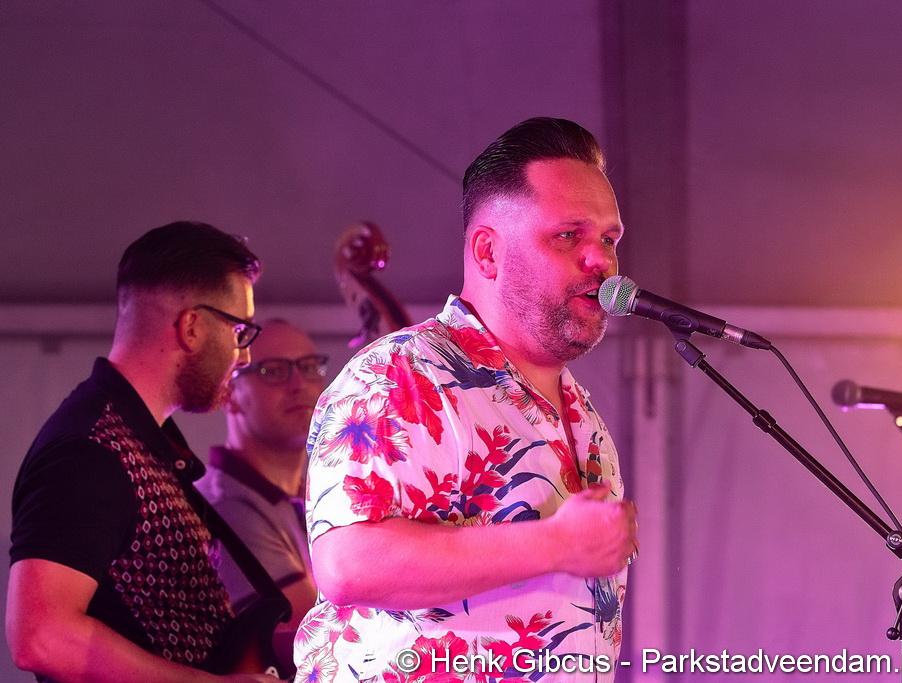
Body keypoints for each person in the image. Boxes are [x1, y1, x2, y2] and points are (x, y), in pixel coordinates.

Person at [296, 117, 637, 683]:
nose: (600, 261)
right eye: (567, 236)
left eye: (608, 239)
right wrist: (555, 543)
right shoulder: (399, 375)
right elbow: (348, 564)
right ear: (487, 252)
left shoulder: (583, 414)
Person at [7, 221, 278, 683]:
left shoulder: (138, 441)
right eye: (239, 330)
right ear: (192, 326)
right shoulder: (91, 450)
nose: (245, 355)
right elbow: (40, 635)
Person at [198, 320, 326, 665]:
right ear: (229, 393)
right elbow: (313, 636)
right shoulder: (225, 506)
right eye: (273, 371)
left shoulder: (311, 495)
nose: (299, 385)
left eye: (309, 367)